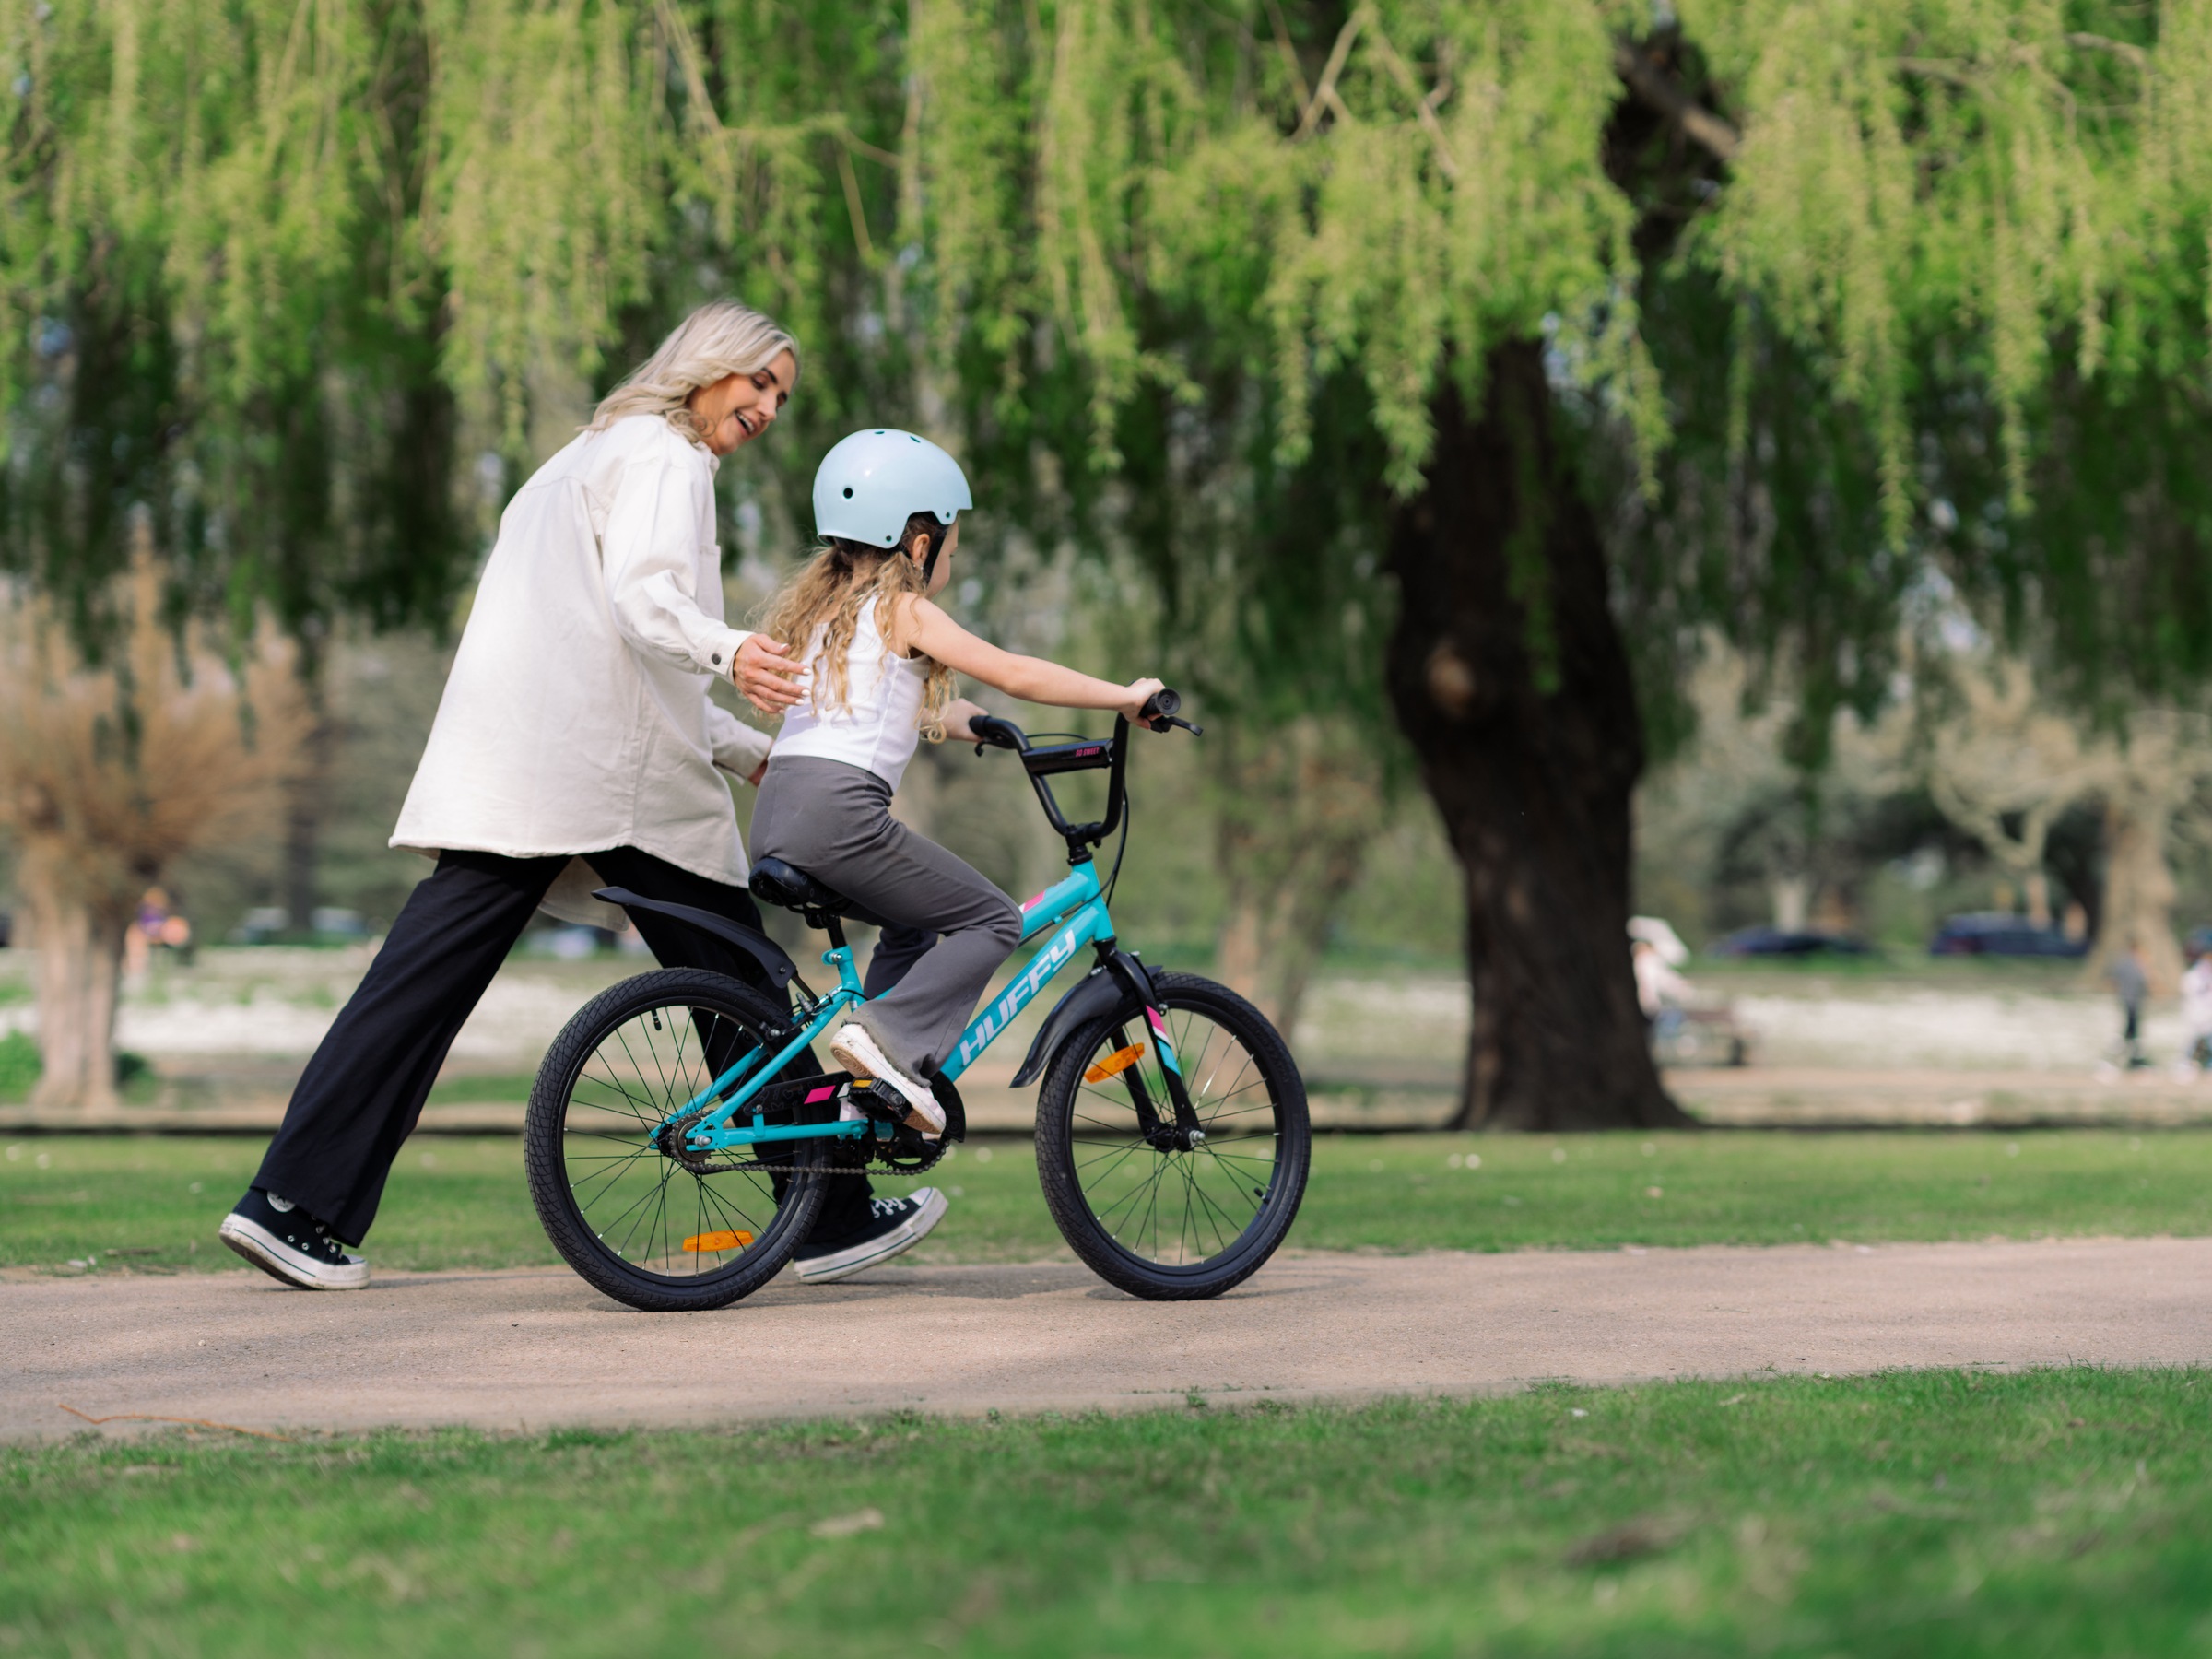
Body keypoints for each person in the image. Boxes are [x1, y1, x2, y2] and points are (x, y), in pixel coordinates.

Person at [218, 303, 945, 1290]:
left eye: (783, 393)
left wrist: (742, 751)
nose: (770, 407)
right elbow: (647, 607)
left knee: (423, 986)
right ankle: (828, 1215)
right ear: (706, 368)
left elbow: (616, 647)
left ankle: (289, 1205)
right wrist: (735, 652)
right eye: (759, 382)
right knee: (743, 979)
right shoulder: (667, 457)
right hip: (602, 778)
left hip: (534, 762)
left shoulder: (588, 454)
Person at [747, 429, 1163, 1127]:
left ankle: (868, 1081)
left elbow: (880, 709)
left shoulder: (826, 613)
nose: (950, 557)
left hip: (780, 811)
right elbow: (1015, 671)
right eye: (951, 542)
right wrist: (1123, 695)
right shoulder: (904, 608)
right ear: (918, 544)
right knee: (992, 918)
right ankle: (887, 1042)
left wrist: (969, 724)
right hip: (839, 814)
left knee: (911, 931)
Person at [2110, 938, 2151, 1070]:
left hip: (2127, 999)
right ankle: (2128, 1055)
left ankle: (2130, 1055)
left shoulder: (2122, 963)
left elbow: (2114, 980)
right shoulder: (2135, 965)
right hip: (2132, 1000)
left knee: (2131, 1029)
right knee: (2131, 1029)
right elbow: (2143, 982)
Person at [2182, 945, 2212, 1072]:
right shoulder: (2192, 975)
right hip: (2196, 1013)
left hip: (2206, 1014)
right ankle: (2185, 1064)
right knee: (2191, 1041)